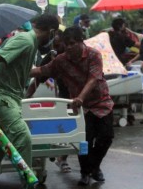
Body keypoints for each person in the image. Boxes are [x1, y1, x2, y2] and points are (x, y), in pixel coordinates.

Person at [0, 14, 59, 189]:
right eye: (55, 34)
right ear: (51, 32)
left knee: (5, 140)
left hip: (10, 97)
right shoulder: (25, 40)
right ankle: (28, 184)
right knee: (22, 136)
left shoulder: (32, 45)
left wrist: (49, 66)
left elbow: (25, 72)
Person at [30, 26, 114, 186]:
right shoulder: (61, 60)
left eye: (72, 43)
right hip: (80, 107)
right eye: (66, 44)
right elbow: (43, 70)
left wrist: (81, 97)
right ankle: (85, 173)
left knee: (106, 137)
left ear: (81, 42)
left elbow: (93, 79)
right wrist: (20, 71)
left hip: (101, 102)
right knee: (84, 141)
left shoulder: (93, 54)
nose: (68, 47)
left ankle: (94, 167)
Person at [25, 30, 72, 173]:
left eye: (59, 45)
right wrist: (26, 99)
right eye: (54, 45)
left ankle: (83, 167)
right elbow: (38, 78)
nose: (57, 48)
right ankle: (61, 158)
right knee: (64, 128)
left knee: (79, 132)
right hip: (65, 97)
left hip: (82, 95)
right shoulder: (52, 57)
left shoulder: (76, 56)